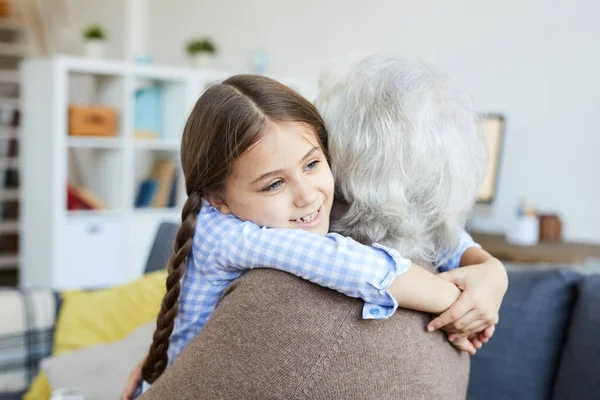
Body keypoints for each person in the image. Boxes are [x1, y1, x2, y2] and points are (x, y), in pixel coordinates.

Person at [123, 55, 508, 399]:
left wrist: (491, 270)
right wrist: (461, 303)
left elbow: (428, 217)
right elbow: (353, 267)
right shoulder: (233, 239)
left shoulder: (290, 207)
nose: (308, 197)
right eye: (274, 184)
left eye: (313, 164)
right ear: (216, 197)